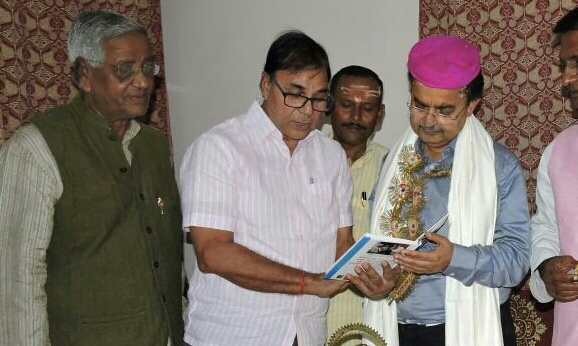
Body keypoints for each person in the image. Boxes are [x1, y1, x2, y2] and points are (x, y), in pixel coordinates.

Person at [179, 30, 398, 346]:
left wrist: (373, 276)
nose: (308, 110)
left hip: (307, 335)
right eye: (295, 94)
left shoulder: (330, 155)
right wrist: (309, 283)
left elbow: (341, 244)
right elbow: (213, 252)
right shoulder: (219, 149)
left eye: (319, 98)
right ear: (266, 84)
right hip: (233, 335)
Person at [0, 10, 183, 346]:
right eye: (125, 70)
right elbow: (18, 282)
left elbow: (169, 257)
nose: (143, 81)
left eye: (147, 68)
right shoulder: (36, 148)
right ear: (85, 74)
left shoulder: (153, 146)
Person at [364, 35, 530, 346]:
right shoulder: (393, 162)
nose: (428, 121)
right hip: (394, 327)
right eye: (419, 105)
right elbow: (381, 244)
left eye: (444, 110)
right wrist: (376, 279)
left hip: (468, 327)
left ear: (471, 106)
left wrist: (453, 258)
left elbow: (517, 261)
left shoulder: (499, 167)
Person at [324, 65, 389, 336]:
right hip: (308, 324)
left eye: (368, 108)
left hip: (371, 323)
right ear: (328, 106)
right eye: (346, 105)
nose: (356, 117)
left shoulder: (394, 167)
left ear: (380, 115)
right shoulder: (303, 160)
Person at [530, 7, 578, 346]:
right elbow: (546, 225)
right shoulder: (559, 151)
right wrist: (547, 265)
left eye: (576, 63)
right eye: (564, 65)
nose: (566, 79)